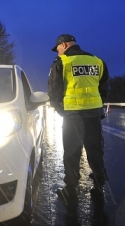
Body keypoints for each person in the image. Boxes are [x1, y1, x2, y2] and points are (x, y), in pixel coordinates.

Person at [47, 34, 109, 205]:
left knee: (72, 153)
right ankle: (98, 186)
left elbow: (54, 91)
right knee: (95, 150)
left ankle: (70, 190)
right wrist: (96, 106)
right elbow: (103, 88)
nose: (58, 52)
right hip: (93, 115)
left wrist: (61, 110)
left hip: (72, 116)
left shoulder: (62, 62)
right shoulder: (97, 61)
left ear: (64, 45)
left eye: (58, 48)